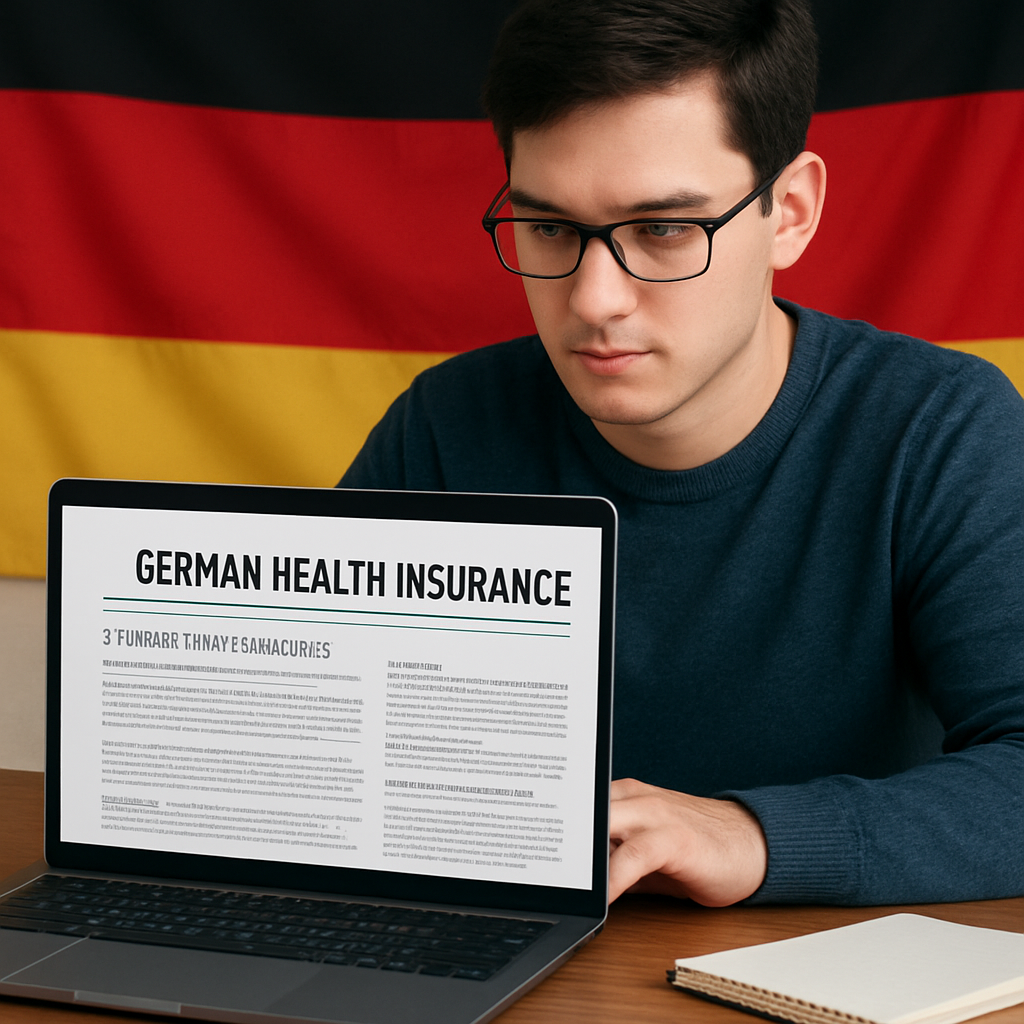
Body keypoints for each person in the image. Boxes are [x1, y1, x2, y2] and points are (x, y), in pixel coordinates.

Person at [339, 0, 1024, 906]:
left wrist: (751, 836)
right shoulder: (445, 423)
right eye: (550, 228)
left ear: (790, 212)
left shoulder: (938, 428)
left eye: (662, 231)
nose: (595, 300)